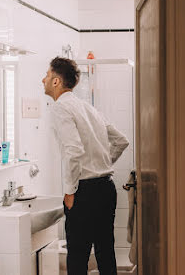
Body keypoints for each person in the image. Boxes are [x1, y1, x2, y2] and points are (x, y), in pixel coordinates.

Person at [42, 57, 129, 274]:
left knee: (78, 257)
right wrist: (102, 164)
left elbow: (74, 151)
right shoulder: (87, 108)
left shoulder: (61, 108)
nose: (42, 79)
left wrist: (70, 191)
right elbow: (121, 141)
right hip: (106, 188)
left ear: (55, 81)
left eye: (47, 74)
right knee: (105, 251)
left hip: (85, 192)